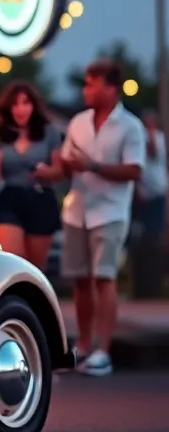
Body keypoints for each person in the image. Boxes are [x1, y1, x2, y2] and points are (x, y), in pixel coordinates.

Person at [45, 60, 144, 377]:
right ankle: (85, 345)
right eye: (85, 84)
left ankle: (105, 350)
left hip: (111, 211)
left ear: (110, 88)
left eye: (91, 84)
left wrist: (94, 166)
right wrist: (59, 166)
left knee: (104, 277)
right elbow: (65, 167)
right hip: (77, 209)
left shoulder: (130, 126)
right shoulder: (78, 122)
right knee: (80, 280)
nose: (85, 90)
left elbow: (134, 170)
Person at [0, 80, 63, 270]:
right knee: (12, 263)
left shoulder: (49, 132)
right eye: (15, 104)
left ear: (34, 106)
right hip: (10, 197)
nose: (20, 109)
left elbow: (60, 169)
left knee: (34, 269)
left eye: (25, 103)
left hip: (40, 198)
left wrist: (46, 172)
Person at [136, 109, 167, 241]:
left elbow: (153, 153)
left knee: (156, 227)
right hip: (143, 190)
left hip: (158, 188)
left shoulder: (159, 137)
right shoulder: (140, 136)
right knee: (143, 227)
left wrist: (150, 133)